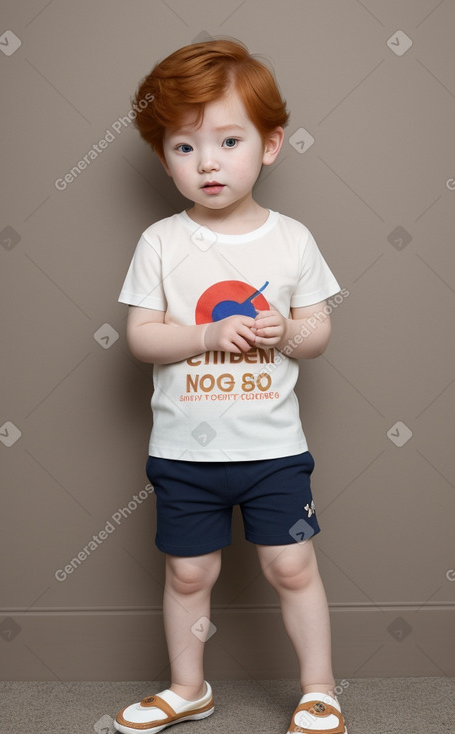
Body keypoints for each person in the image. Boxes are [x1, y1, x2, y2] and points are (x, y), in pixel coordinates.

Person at [114, 38, 348, 734]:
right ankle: (189, 687)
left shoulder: (291, 240)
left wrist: (286, 333)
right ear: (164, 158)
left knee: (291, 564)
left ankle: (319, 687)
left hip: (273, 449)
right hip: (186, 452)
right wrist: (205, 335)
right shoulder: (160, 242)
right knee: (189, 575)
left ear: (269, 145)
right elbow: (140, 338)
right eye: (184, 147)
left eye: (227, 140)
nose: (207, 162)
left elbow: (317, 334)